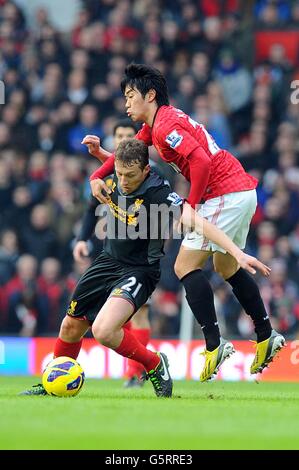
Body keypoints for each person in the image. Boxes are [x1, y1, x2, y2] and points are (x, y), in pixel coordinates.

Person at [20, 139, 270, 396]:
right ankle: (52, 384)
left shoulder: (158, 192)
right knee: (70, 327)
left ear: (145, 171)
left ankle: (154, 363)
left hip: (139, 270)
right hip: (107, 261)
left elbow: (196, 220)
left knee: (104, 330)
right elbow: (109, 169)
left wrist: (237, 253)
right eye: (119, 174)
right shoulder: (115, 171)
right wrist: (97, 157)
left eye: (130, 176)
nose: (124, 181)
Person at [85, 63, 285, 382]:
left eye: (130, 95)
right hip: (238, 191)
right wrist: (98, 169)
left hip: (224, 193)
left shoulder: (164, 126)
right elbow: (128, 157)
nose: (125, 103)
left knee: (184, 266)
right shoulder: (157, 124)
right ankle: (265, 334)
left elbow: (202, 161)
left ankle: (214, 345)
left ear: (149, 95)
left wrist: (190, 207)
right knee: (225, 267)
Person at [76, 119, 152, 388]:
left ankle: (135, 373)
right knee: (117, 312)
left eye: (128, 136)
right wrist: (82, 239)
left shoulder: (148, 172)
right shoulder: (109, 174)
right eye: (118, 136)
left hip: (143, 256)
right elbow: (89, 209)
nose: (122, 140)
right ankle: (138, 368)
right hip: (112, 251)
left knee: (139, 312)